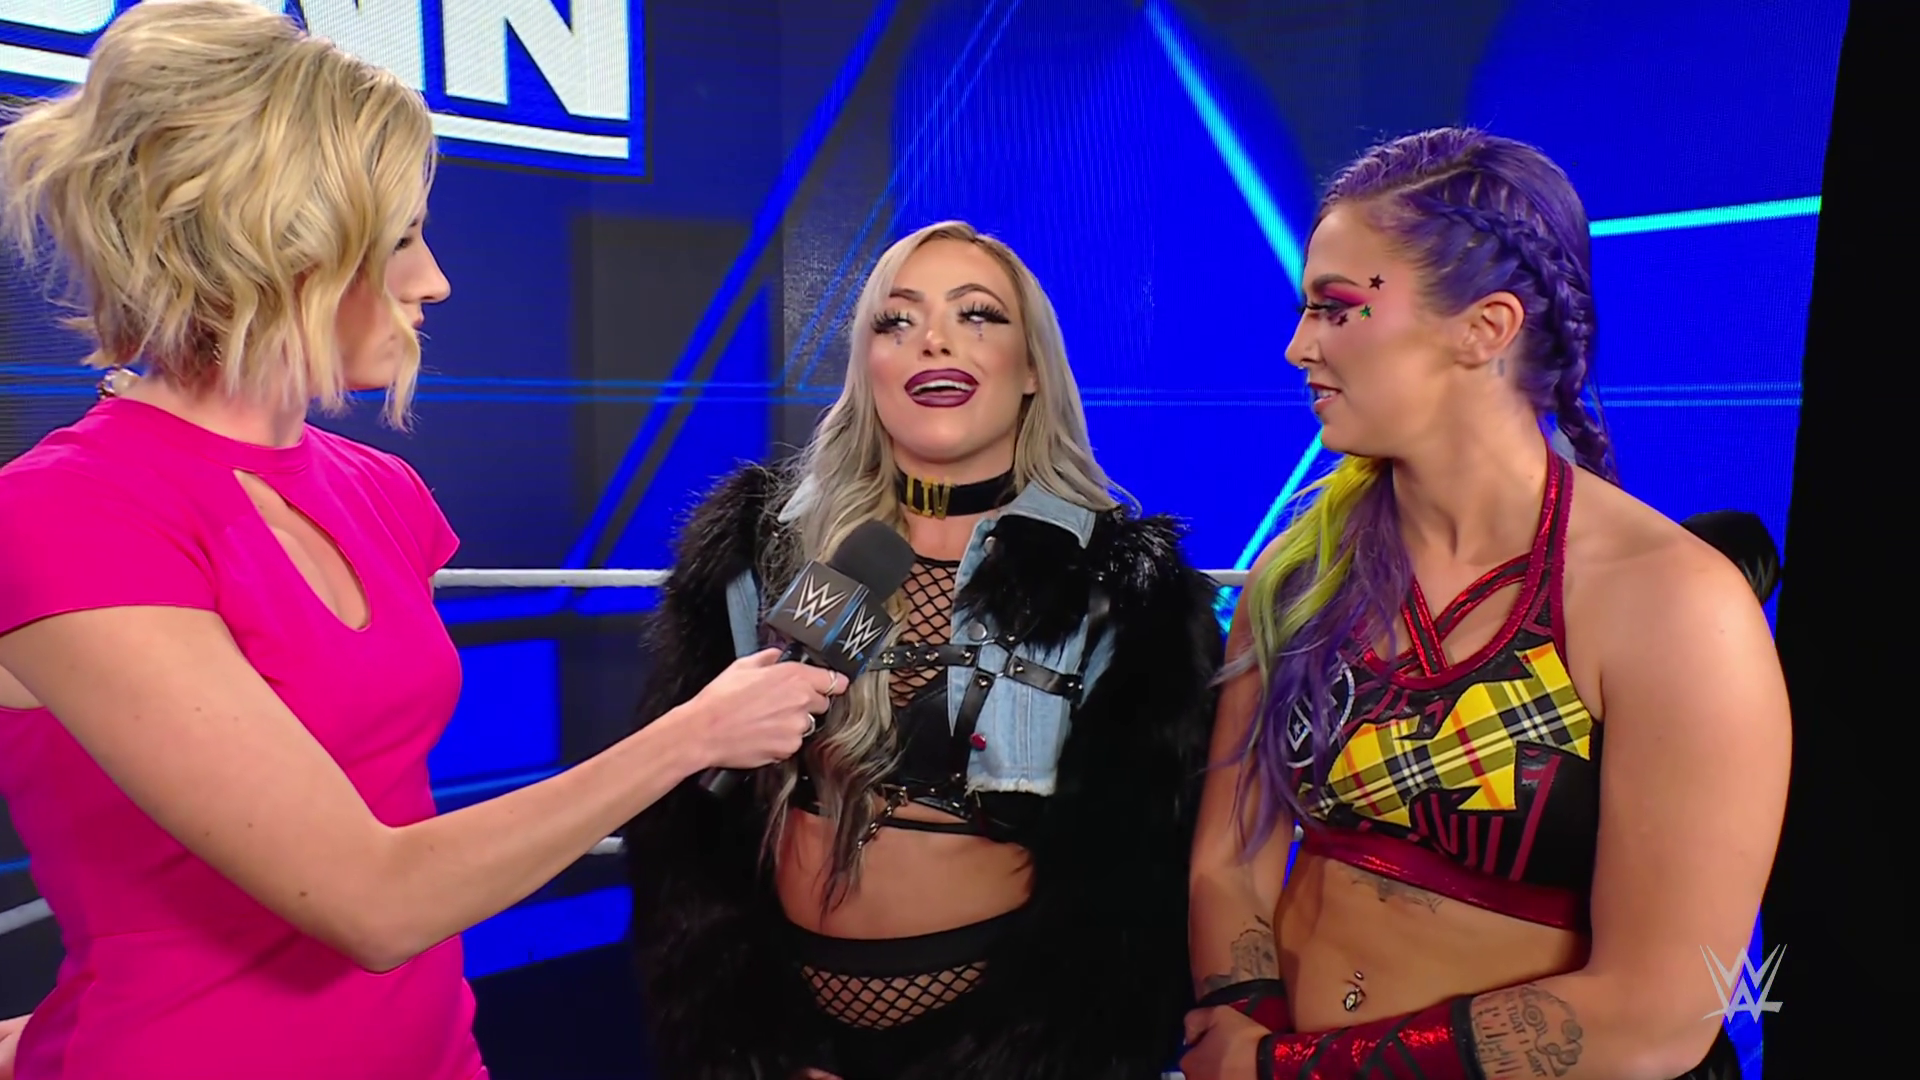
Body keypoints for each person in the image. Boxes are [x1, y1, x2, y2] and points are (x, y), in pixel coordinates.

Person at [0, 4, 837, 1078]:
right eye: (397, 239)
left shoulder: (383, 493)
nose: (432, 279)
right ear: (277, 245)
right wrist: (692, 735)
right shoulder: (69, 511)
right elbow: (375, 901)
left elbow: (391, 816)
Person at [1180, 128, 1789, 1080]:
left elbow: (1660, 1010)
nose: (1299, 347)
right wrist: (1240, 1023)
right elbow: (1230, 856)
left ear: (1485, 327)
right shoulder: (1296, 577)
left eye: (1337, 310)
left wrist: (1285, 1071)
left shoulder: (1674, 608)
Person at [621, 220, 1224, 1080]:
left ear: (1031, 369)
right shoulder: (769, 548)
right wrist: (745, 1052)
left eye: (976, 315)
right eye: (896, 320)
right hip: (787, 1044)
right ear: (866, 368)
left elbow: (1135, 888)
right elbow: (687, 833)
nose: (933, 340)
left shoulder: (1116, 585)